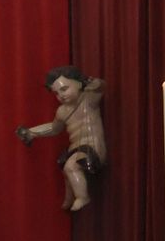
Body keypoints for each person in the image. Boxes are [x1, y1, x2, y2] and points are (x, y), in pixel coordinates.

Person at [16, 66, 105, 212]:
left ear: (78, 83)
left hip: (92, 146)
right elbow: (54, 128)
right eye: (56, 93)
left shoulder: (88, 99)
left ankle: (82, 197)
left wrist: (93, 82)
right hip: (75, 148)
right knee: (66, 170)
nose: (61, 96)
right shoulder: (62, 111)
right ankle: (70, 197)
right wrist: (32, 132)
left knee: (71, 166)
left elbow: (101, 87)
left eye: (64, 89)